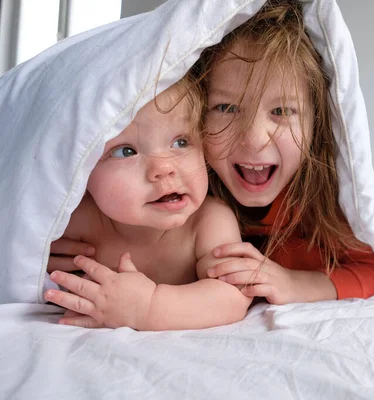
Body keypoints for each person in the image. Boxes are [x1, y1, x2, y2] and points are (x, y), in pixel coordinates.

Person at [49, 0, 374, 306]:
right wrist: (58, 256)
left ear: (318, 124)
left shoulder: (323, 204)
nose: (254, 140)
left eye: (282, 111)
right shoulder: (179, 184)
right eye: (226, 107)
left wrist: (294, 282)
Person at [43, 71, 252, 331]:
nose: (164, 168)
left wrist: (147, 308)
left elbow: (232, 296)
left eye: (181, 142)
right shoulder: (72, 222)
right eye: (125, 151)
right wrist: (39, 260)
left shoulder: (209, 222)